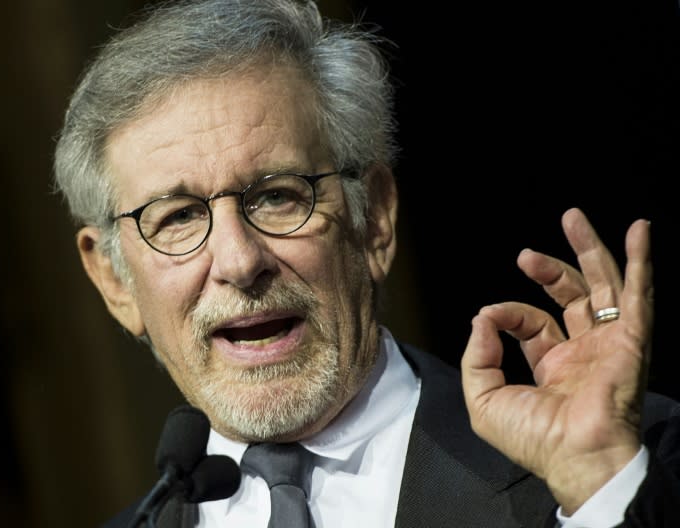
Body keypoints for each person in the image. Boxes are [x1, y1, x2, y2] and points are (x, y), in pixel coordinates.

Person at [52, 0, 679, 526]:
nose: (240, 262)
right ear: (114, 280)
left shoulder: (633, 461)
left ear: (373, 218)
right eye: (179, 216)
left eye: (277, 196)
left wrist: (598, 482)